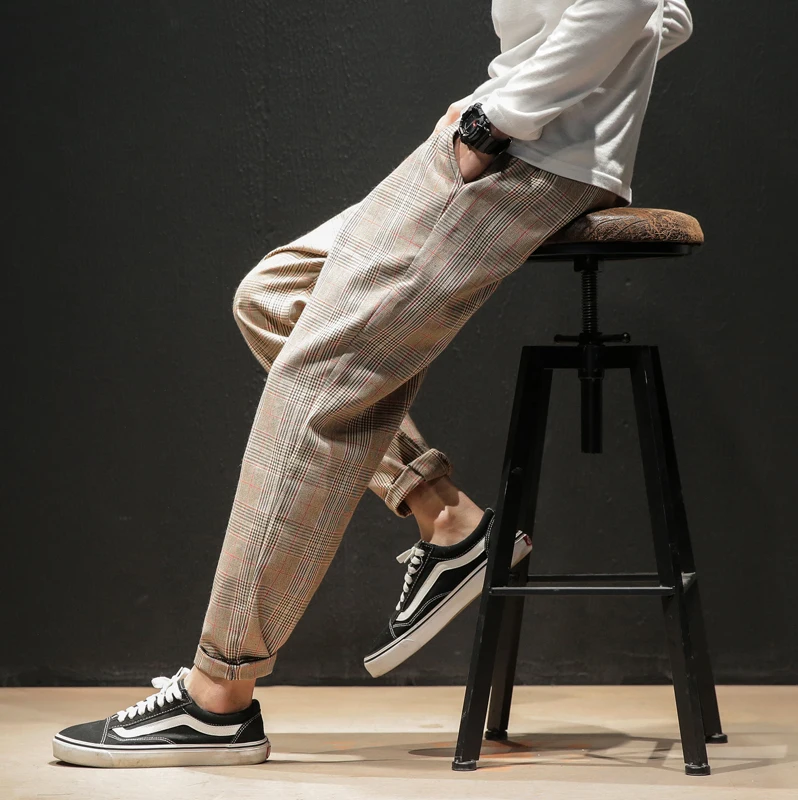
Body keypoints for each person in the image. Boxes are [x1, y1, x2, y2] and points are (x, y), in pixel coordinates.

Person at [53, 0, 693, 768]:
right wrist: (561, 101)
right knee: (274, 298)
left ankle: (217, 693)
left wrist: (500, 120)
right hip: (520, 139)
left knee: (316, 380)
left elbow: (626, 5)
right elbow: (669, 14)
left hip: (522, 157)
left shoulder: (509, 131)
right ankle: (449, 521)